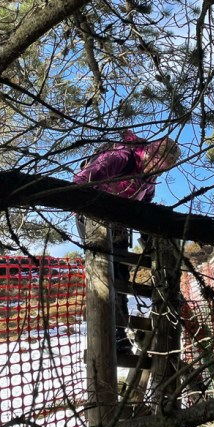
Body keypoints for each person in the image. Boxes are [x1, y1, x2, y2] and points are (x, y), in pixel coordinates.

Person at [73, 131, 181, 356]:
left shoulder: (150, 177)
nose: (158, 170)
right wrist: (92, 210)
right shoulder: (120, 157)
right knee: (105, 271)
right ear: (149, 153)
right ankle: (107, 337)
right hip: (93, 217)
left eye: (164, 169)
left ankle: (119, 338)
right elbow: (81, 181)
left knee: (120, 274)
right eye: (157, 164)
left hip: (119, 223)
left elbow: (146, 202)